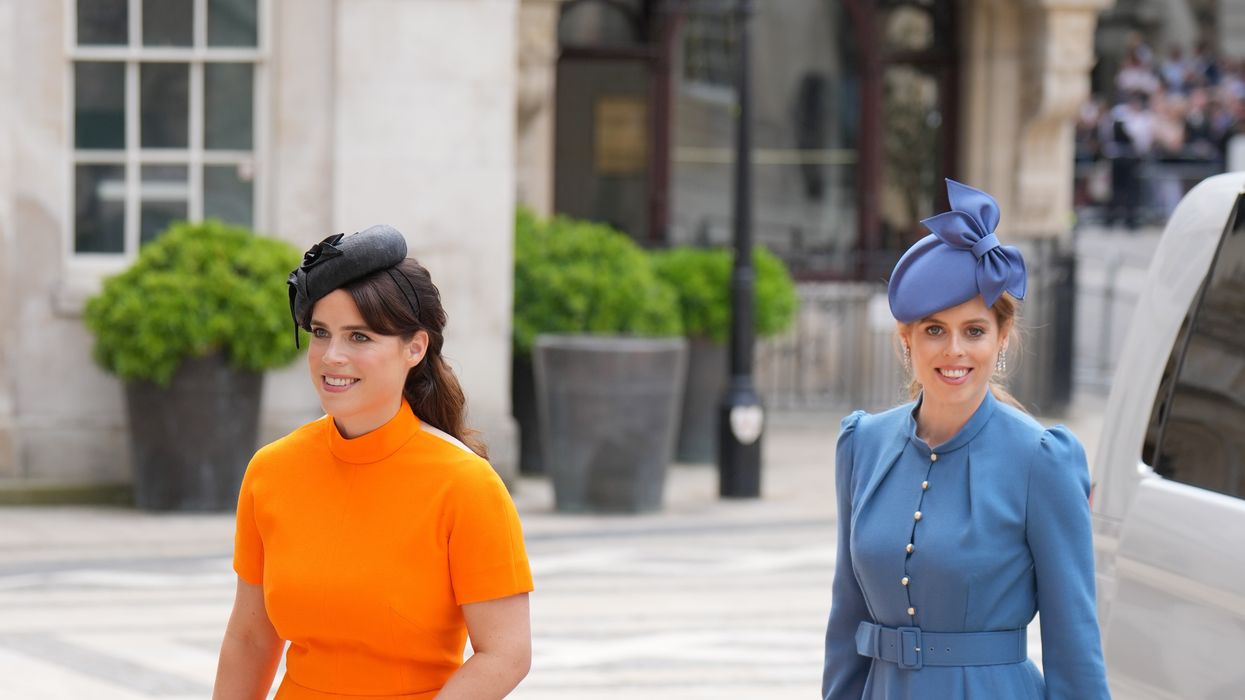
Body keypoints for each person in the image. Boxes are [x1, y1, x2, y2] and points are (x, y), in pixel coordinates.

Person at [213, 225, 533, 699]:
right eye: (321, 333)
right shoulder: (272, 471)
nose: (332, 356)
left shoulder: (465, 484)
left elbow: (506, 653)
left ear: (415, 347)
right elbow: (250, 638)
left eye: (359, 337)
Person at [821, 180, 1110, 699]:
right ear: (905, 339)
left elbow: (1075, 646)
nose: (954, 350)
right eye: (934, 330)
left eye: (974, 330)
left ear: (1002, 339)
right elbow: (846, 622)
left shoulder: (1043, 461)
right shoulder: (862, 444)